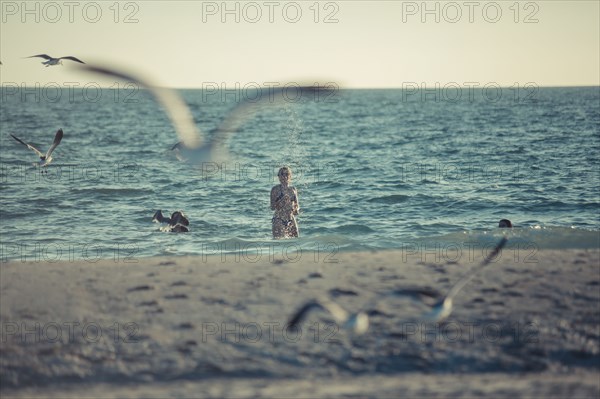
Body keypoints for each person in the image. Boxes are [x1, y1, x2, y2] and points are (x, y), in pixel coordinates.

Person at [271, 166, 299, 239]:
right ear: (279, 177)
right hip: (279, 219)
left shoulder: (293, 189)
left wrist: (296, 209)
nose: (284, 176)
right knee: (279, 244)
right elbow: (272, 207)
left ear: (290, 176)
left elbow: (297, 206)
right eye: (282, 174)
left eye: (287, 174)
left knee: (297, 241)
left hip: (291, 219)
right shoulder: (275, 190)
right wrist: (280, 202)